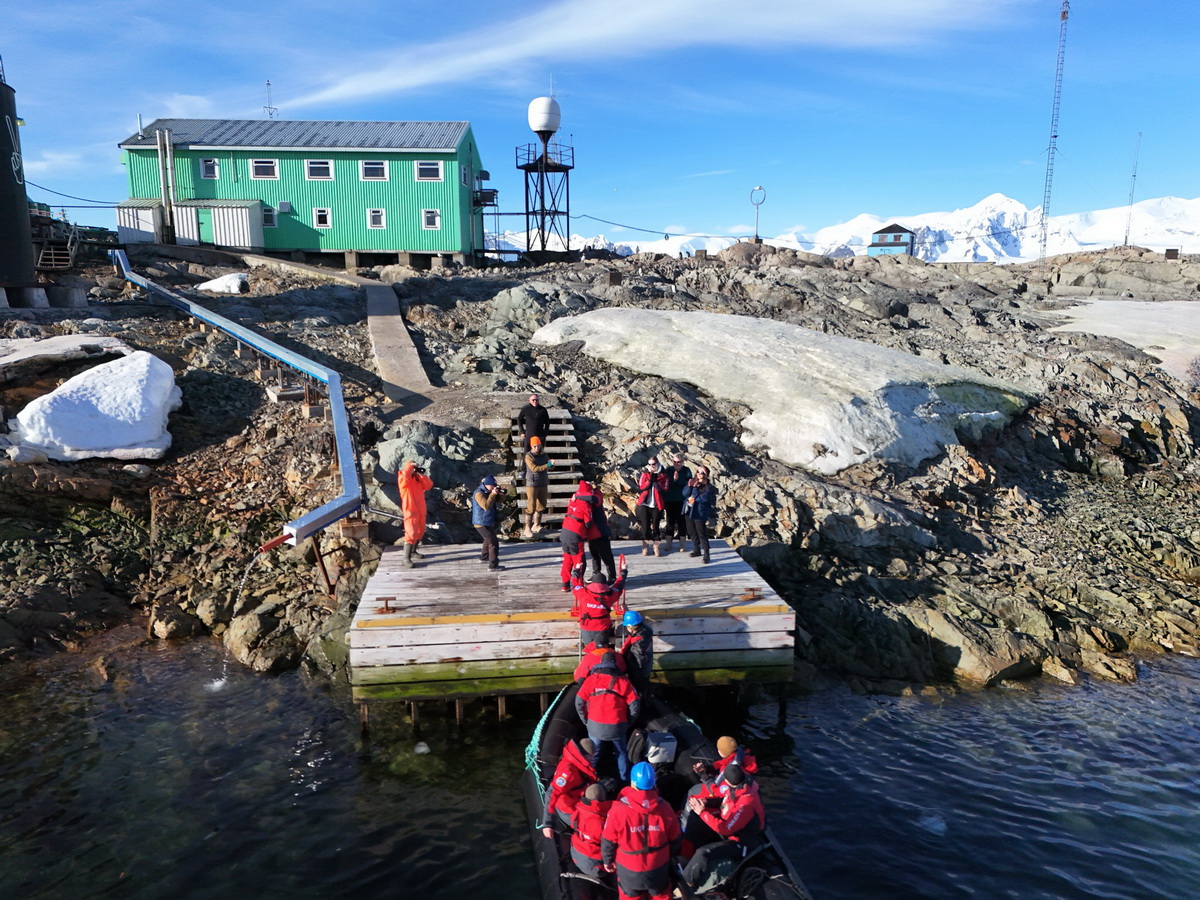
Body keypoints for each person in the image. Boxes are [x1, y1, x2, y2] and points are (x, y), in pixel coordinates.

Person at [601, 762, 682, 900]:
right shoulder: (665, 808)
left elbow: (608, 840)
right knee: (662, 895)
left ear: (633, 782)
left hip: (629, 871)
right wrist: (667, 856)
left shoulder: (618, 810)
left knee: (629, 897)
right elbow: (675, 839)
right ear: (653, 782)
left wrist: (607, 861)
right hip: (658, 869)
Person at [681, 764, 766, 893]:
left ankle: (685, 885)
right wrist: (704, 776)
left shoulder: (745, 804)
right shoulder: (737, 786)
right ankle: (685, 856)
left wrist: (702, 812)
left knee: (703, 853)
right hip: (729, 827)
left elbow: (725, 829)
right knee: (696, 826)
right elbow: (718, 792)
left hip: (741, 841)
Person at [576, 652, 640, 782]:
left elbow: (579, 702)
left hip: (595, 726)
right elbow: (635, 704)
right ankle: (624, 780)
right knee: (621, 753)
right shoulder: (623, 681)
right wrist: (629, 722)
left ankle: (589, 780)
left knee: (593, 754)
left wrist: (585, 720)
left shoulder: (591, 680)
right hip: (617, 727)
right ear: (615, 664)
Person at [540, 737, 598, 834]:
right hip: (569, 808)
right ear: (584, 755)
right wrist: (547, 823)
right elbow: (551, 793)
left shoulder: (573, 761)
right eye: (590, 756)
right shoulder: (568, 773)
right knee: (592, 831)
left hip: (578, 798)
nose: (592, 759)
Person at [571, 559, 628, 643]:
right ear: (604, 584)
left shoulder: (583, 594)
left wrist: (576, 570)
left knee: (590, 650)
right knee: (603, 649)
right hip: (604, 627)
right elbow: (619, 585)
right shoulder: (610, 595)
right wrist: (624, 571)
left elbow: (574, 584)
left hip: (587, 627)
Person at [561, 480, 599, 591]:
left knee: (567, 559)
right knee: (579, 560)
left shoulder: (572, 500)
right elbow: (588, 523)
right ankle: (579, 585)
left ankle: (565, 584)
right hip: (575, 535)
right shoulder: (586, 505)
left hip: (564, 533)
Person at [570, 782, 613, 880]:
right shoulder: (601, 822)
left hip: (576, 855)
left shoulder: (578, 811)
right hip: (594, 865)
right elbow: (609, 844)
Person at [397, 460, 433, 568]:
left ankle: (413, 551)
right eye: (412, 468)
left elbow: (429, 485)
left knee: (420, 531)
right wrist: (411, 465)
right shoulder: (403, 479)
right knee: (411, 533)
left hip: (420, 509)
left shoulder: (417, 480)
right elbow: (405, 475)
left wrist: (421, 475)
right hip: (410, 510)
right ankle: (405, 558)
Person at [681, 466, 717, 564]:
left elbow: (703, 499)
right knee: (691, 531)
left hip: (700, 513)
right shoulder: (692, 482)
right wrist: (690, 487)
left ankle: (706, 554)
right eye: (698, 472)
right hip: (689, 510)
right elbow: (684, 493)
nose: (699, 474)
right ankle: (696, 549)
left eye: (702, 473)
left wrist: (695, 491)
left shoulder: (708, 487)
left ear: (706, 475)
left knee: (701, 533)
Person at [634, 457, 669, 556]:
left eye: (653, 464)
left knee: (656, 526)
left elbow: (665, 488)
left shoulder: (663, 475)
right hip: (645, 504)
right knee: (645, 526)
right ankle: (645, 547)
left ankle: (656, 547)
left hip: (657, 504)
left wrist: (657, 482)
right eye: (650, 464)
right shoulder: (645, 475)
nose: (652, 466)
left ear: (658, 464)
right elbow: (642, 487)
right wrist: (650, 480)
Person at [471, 475, 506, 571]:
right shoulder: (478, 493)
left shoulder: (488, 491)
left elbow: (497, 501)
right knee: (493, 543)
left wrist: (501, 494)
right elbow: (486, 506)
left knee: (487, 540)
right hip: (481, 522)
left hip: (486, 521)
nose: (493, 488)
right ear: (486, 485)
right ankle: (493, 565)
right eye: (492, 486)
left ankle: (484, 557)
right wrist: (493, 494)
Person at [619, 610, 654, 696]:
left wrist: (628, 672)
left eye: (627, 626)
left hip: (639, 672)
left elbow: (638, 660)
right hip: (644, 668)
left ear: (631, 627)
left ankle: (642, 703)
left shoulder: (639, 644)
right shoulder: (643, 631)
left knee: (638, 691)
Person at [663, 453, 692, 554]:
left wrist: (677, 480)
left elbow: (688, 484)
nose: (676, 464)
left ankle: (682, 544)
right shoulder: (669, 470)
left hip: (682, 500)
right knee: (670, 522)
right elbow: (665, 483)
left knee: (682, 522)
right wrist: (673, 480)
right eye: (674, 462)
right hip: (670, 500)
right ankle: (668, 543)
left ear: (682, 462)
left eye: (678, 462)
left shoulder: (686, 471)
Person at [523, 436, 552, 539]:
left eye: (538, 446)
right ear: (531, 446)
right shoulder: (528, 456)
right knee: (531, 506)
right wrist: (548, 465)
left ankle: (536, 524)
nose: (537, 448)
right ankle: (527, 528)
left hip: (543, 482)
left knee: (542, 504)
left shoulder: (544, 455)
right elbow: (534, 468)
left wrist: (551, 464)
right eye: (535, 446)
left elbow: (548, 464)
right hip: (532, 483)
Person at [588, 486, 617, 583]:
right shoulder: (590, 498)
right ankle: (596, 574)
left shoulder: (596, 496)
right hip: (592, 533)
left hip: (601, 533)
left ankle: (612, 576)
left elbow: (593, 499)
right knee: (594, 555)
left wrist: (577, 496)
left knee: (606, 556)